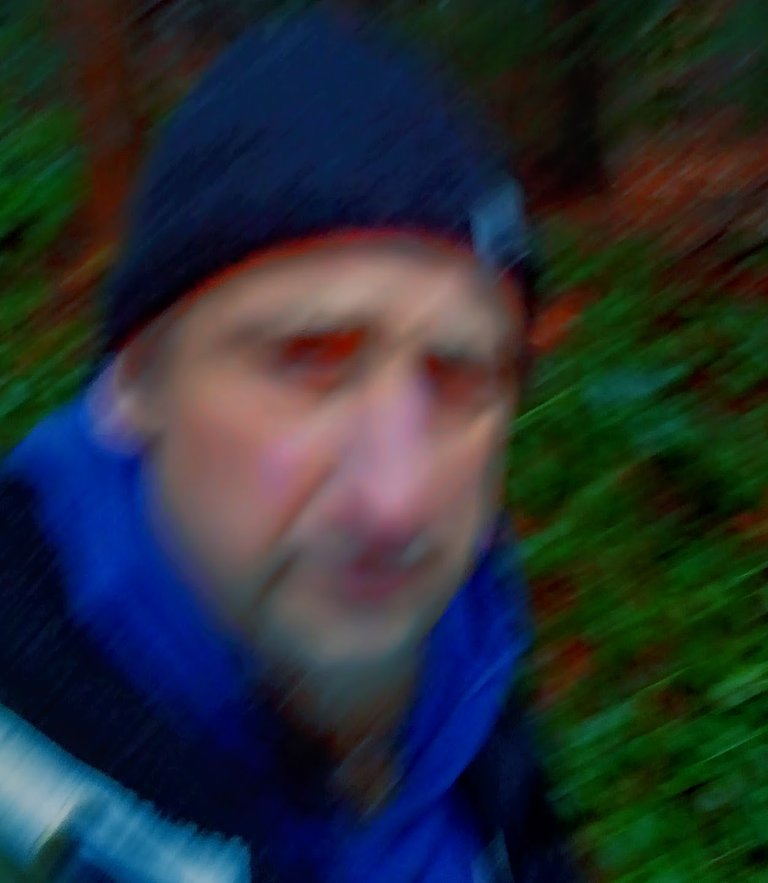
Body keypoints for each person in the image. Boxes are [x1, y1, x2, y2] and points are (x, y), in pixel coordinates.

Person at [0, 10, 583, 883]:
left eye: (459, 376)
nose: (396, 500)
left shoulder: (470, 659)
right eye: (307, 359)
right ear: (135, 383)